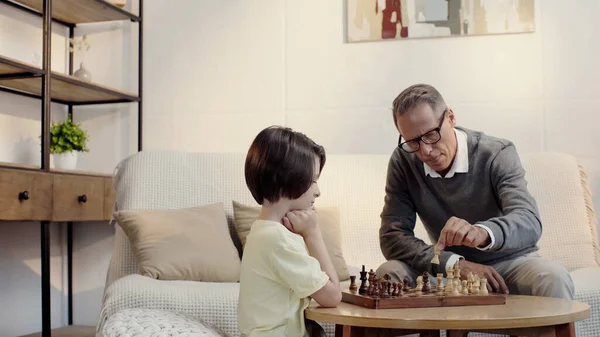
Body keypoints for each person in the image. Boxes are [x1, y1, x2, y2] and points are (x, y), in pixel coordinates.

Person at [377, 83, 574, 299]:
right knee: (389, 273)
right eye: (412, 142)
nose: (425, 151)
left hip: (509, 264)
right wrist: (453, 264)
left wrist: (481, 233)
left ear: (450, 118)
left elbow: (529, 221)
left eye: (431, 134)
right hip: (447, 269)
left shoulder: (496, 152)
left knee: (554, 277)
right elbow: (392, 236)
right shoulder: (403, 161)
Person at [237, 125, 341, 337]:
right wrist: (313, 233)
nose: (318, 191)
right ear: (289, 178)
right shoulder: (278, 241)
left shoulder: (262, 231)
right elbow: (332, 296)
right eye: (313, 181)